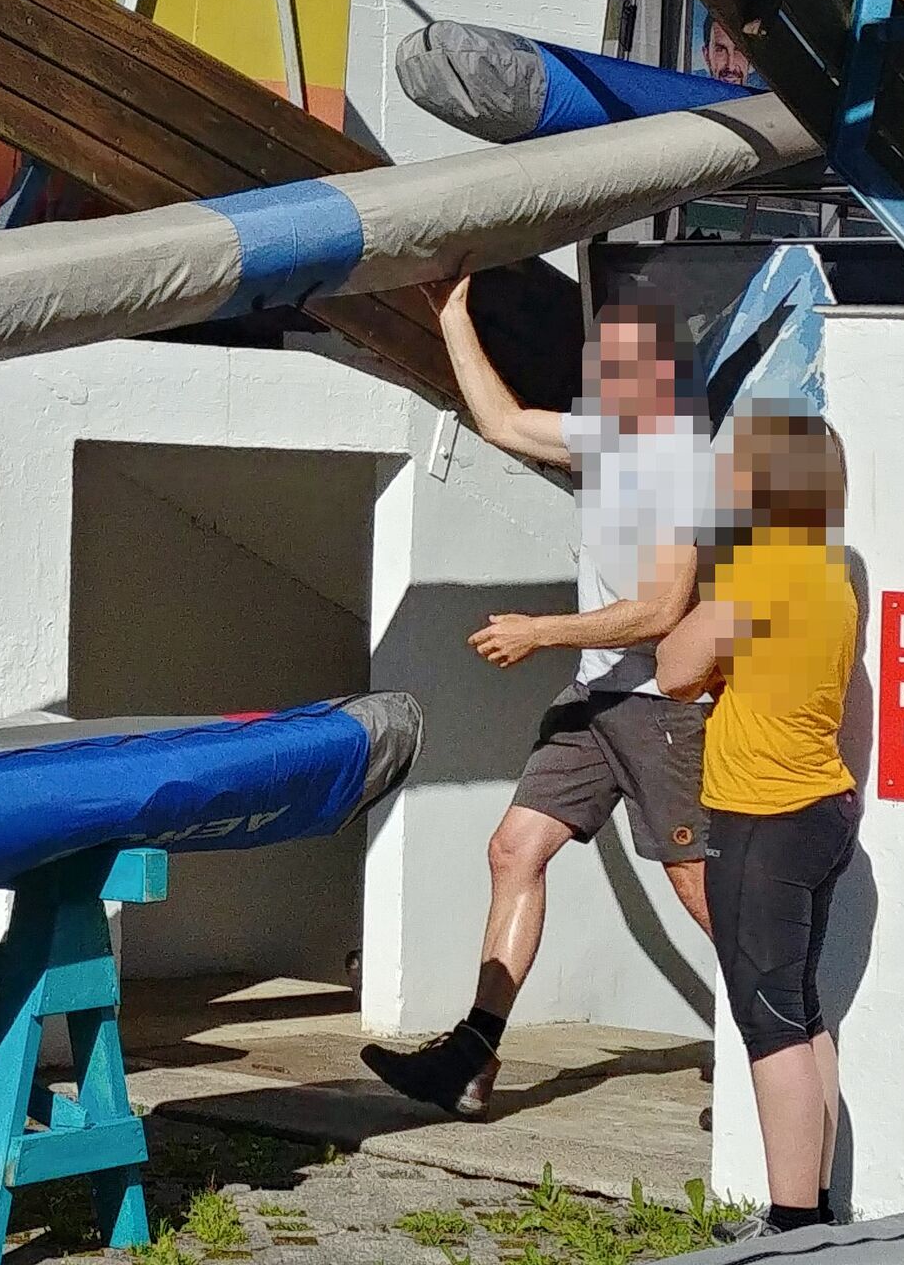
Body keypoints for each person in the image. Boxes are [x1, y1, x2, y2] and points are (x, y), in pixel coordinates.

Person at [361, 278, 715, 1120]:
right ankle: (472, 1059)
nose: (603, 377)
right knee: (513, 849)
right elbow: (503, 422)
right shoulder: (606, 438)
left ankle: (775, 1044)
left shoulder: (675, 465)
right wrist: (451, 315)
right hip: (595, 698)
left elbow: (663, 610)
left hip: (660, 706)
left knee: (699, 886)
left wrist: (540, 631)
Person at [658, 410, 859, 1237]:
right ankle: (816, 1209)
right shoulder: (828, 573)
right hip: (821, 811)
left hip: (764, 816)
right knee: (801, 1011)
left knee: (769, 1022)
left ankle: (790, 1222)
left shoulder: (762, 575)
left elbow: (673, 668)